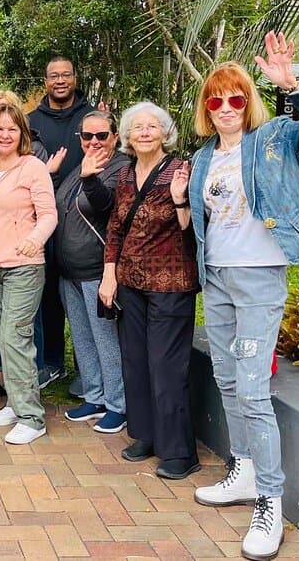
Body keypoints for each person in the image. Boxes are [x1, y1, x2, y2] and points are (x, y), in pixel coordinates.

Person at [182, 32, 299, 561]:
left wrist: (296, 86)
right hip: (219, 278)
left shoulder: (275, 137)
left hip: (259, 276)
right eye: (216, 99)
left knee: (253, 390)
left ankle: (270, 503)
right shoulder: (203, 157)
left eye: (236, 97)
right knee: (227, 380)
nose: (227, 107)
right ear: (206, 110)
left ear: (248, 102)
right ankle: (244, 471)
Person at [99, 101, 200, 479]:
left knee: (166, 365)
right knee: (136, 359)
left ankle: (179, 451)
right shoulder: (125, 175)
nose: (143, 132)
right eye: (136, 127)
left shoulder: (179, 171)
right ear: (126, 136)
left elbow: (191, 228)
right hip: (130, 282)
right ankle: (145, 435)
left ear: (164, 133)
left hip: (171, 283)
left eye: (151, 126)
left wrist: (179, 198)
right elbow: (115, 227)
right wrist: (110, 274)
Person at [0, 99, 57, 445]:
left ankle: (32, 417)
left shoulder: (32, 168)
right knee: (1, 337)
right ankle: (15, 400)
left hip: (23, 266)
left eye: (12, 128)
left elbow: (49, 215)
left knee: (15, 337)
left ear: (21, 133)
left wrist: (33, 239)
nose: (5, 134)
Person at [55, 112, 128, 434]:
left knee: (105, 340)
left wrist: (89, 179)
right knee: (83, 339)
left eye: (101, 136)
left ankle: (118, 404)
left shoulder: (120, 167)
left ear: (115, 136)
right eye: (87, 136)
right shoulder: (80, 165)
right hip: (69, 270)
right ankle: (95, 395)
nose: (94, 142)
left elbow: (107, 205)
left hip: (98, 270)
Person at [28, 57, 95, 391]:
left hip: (85, 214)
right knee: (46, 291)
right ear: (45, 80)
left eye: (65, 75)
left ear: (74, 77)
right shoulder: (31, 122)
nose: (60, 81)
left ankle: (89, 368)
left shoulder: (91, 117)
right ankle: (51, 362)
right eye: (53, 75)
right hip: (40, 215)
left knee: (82, 292)